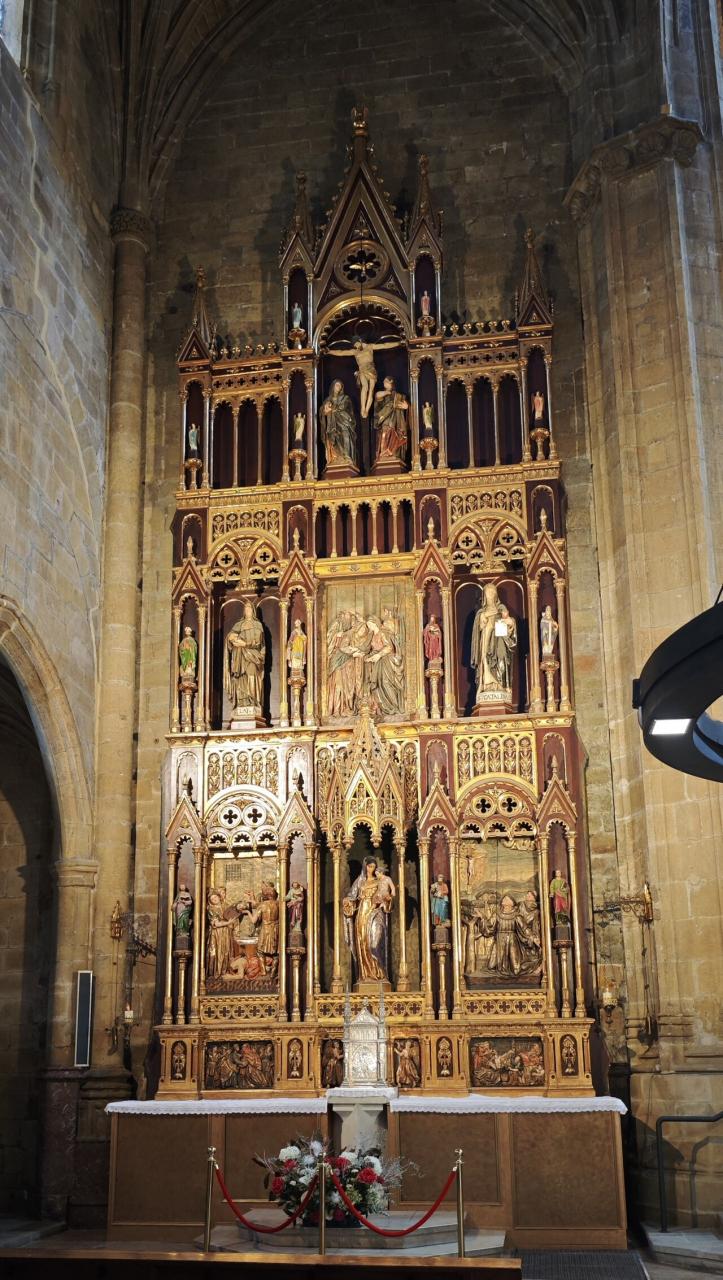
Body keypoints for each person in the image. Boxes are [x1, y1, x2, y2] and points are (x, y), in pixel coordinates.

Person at [343, 856, 395, 983]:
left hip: (376, 912)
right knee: (363, 941)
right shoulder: (360, 881)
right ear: (365, 867)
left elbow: (387, 895)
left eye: (374, 867)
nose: (372, 869)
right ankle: (366, 975)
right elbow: (351, 897)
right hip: (362, 913)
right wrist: (347, 901)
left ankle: (380, 973)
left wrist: (387, 899)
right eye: (369, 866)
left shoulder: (380, 880)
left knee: (374, 944)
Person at [470, 584, 517, 698]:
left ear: (496, 594)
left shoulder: (501, 608)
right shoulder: (481, 612)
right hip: (486, 638)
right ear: (484, 595)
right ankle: (487, 685)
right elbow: (477, 628)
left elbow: (509, 624)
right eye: (488, 592)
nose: (490, 594)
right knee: (485, 658)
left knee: (501, 658)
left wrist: (511, 623)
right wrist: (483, 617)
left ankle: (500, 685)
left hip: (499, 641)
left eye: (493, 592)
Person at [225, 601, 265, 711]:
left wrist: (245, 644)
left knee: (251, 673)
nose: (247, 610)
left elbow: (258, 642)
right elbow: (230, 636)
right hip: (240, 657)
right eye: (246, 608)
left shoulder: (258, 625)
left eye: (249, 608)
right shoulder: (239, 624)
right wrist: (231, 638)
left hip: (253, 656)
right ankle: (242, 703)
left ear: (253, 611)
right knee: (240, 678)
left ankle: (253, 701)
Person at [365, 613, 404, 717]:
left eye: (370, 625)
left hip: (386, 661)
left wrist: (378, 655)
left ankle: (393, 706)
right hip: (378, 662)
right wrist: (370, 657)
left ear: (375, 623)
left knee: (385, 683)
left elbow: (389, 647)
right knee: (378, 685)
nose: (369, 627)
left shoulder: (382, 633)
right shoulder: (373, 636)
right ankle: (383, 707)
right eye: (368, 625)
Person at [320, 380, 357, 468]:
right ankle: (334, 458)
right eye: (337, 385)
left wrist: (331, 408)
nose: (338, 387)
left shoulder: (345, 398)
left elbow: (343, 407)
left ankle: (346, 456)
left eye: (340, 386)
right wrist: (325, 409)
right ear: (333, 386)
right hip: (331, 424)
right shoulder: (327, 400)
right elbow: (323, 412)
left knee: (345, 435)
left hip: (343, 422)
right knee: (332, 437)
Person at [372, 376, 408, 465]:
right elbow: (377, 396)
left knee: (394, 433)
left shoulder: (398, 396)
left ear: (391, 382)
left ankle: (392, 452)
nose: (383, 383)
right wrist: (387, 392)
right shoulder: (383, 395)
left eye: (386, 381)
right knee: (385, 432)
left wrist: (406, 407)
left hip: (396, 421)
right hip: (385, 417)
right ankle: (383, 452)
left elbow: (406, 408)